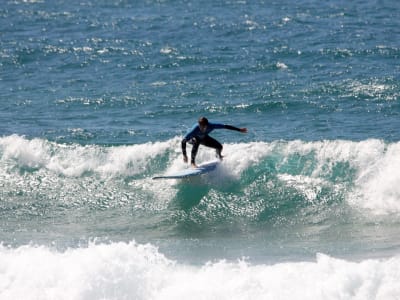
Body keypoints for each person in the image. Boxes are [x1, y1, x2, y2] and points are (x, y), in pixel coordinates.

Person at [181, 117, 247, 167]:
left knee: (219, 147)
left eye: (204, 127)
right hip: (191, 139)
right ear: (199, 125)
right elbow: (183, 141)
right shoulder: (194, 129)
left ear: (207, 125)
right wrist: (184, 155)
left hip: (203, 137)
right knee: (196, 141)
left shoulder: (212, 125)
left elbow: (225, 126)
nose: (202, 129)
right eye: (201, 127)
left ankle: (219, 156)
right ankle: (192, 162)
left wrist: (239, 129)